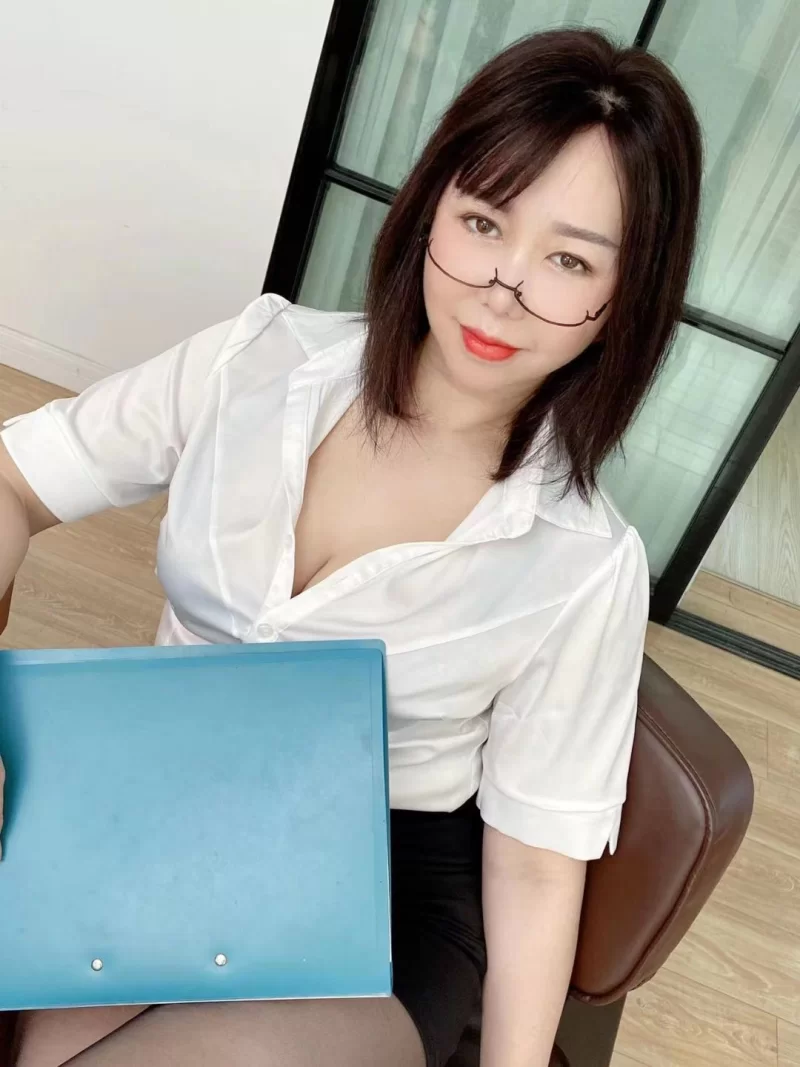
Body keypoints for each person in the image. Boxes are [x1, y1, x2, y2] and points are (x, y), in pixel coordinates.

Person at [0, 26, 702, 1067]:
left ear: (622, 298)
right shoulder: (255, 360)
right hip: (159, 812)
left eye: (567, 260)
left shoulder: (581, 559)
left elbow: (534, 866)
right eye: (483, 221)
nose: (503, 286)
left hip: (381, 891)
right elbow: (16, 479)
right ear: (429, 209)